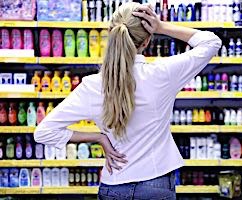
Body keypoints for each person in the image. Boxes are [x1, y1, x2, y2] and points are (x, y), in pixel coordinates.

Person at [34, 2, 221, 200]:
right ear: (147, 41)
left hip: (114, 184)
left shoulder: (92, 85)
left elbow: (44, 132)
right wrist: (161, 26)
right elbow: (211, 42)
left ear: (111, 34)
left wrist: (99, 138)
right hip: (156, 184)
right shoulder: (162, 73)